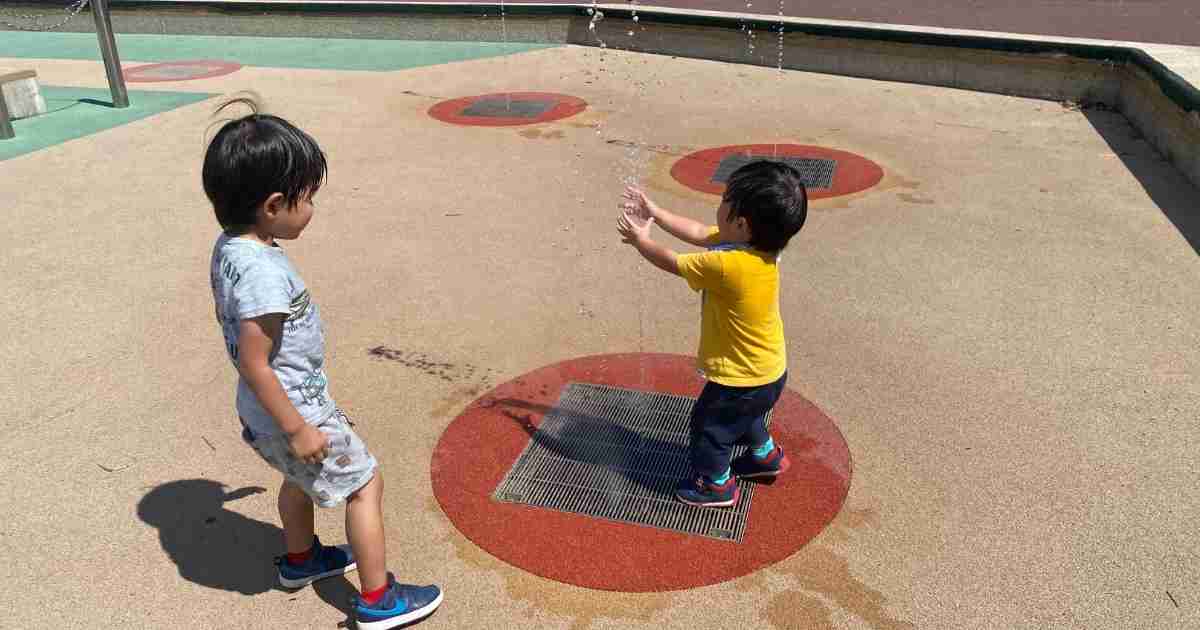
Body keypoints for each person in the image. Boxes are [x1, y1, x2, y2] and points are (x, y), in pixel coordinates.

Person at [203, 99, 442, 629]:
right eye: (307, 198)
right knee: (364, 484)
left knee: (301, 478)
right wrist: (299, 427)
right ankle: (379, 601)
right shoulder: (263, 274)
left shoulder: (232, 246)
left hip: (272, 409)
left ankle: (301, 561)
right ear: (272, 205)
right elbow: (255, 361)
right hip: (290, 409)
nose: (312, 207)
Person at [616, 161, 808, 507]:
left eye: (724, 200)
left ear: (740, 223)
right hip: (769, 370)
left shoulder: (727, 267)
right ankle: (765, 457)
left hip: (740, 377)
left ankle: (716, 485)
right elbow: (699, 233)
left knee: (710, 426)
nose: (718, 206)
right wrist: (655, 213)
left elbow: (673, 261)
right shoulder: (760, 249)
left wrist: (640, 240)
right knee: (746, 415)